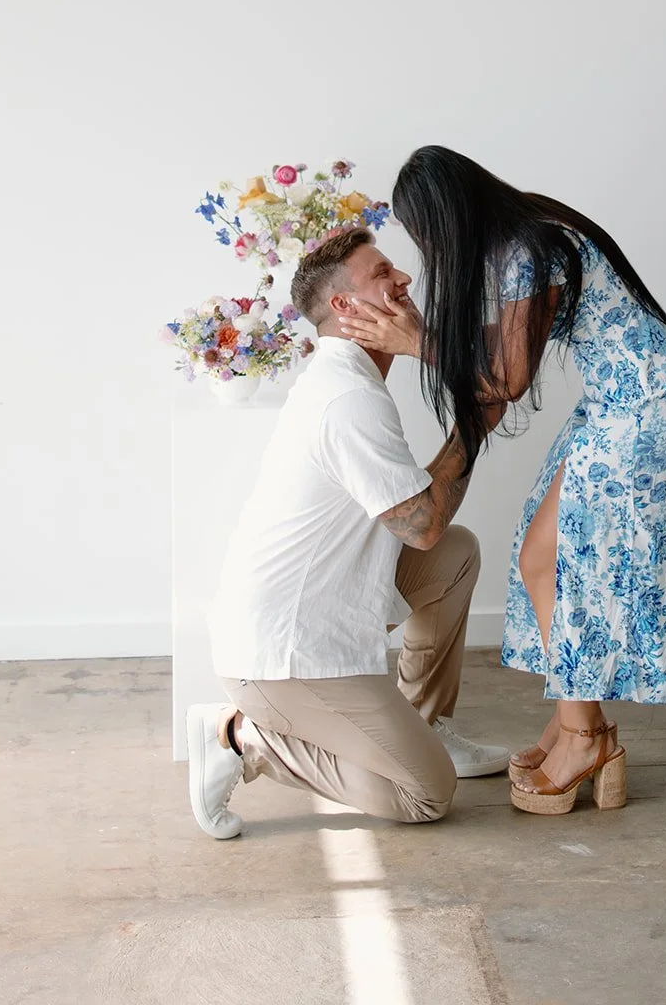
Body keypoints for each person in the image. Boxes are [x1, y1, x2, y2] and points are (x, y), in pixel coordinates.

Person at [338, 146, 666, 817]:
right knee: (544, 556)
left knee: (548, 559)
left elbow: (505, 379)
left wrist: (415, 342)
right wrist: (422, 337)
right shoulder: (526, 234)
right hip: (624, 398)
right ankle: (580, 728)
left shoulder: (527, 249)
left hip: (643, 403)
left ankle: (583, 737)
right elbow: (501, 355)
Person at [186, 226, 509, 841]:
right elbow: (420, 525)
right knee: (425, 794)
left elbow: (432, 533)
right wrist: (476, 418)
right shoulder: (345, 399)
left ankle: (424, 721)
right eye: (383, 274)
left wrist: (434, 358)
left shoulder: (351, 379)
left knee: (456, 554)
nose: (404, 280)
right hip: (286, 654)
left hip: (323, 610)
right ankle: (241, 738)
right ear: (345, 307)